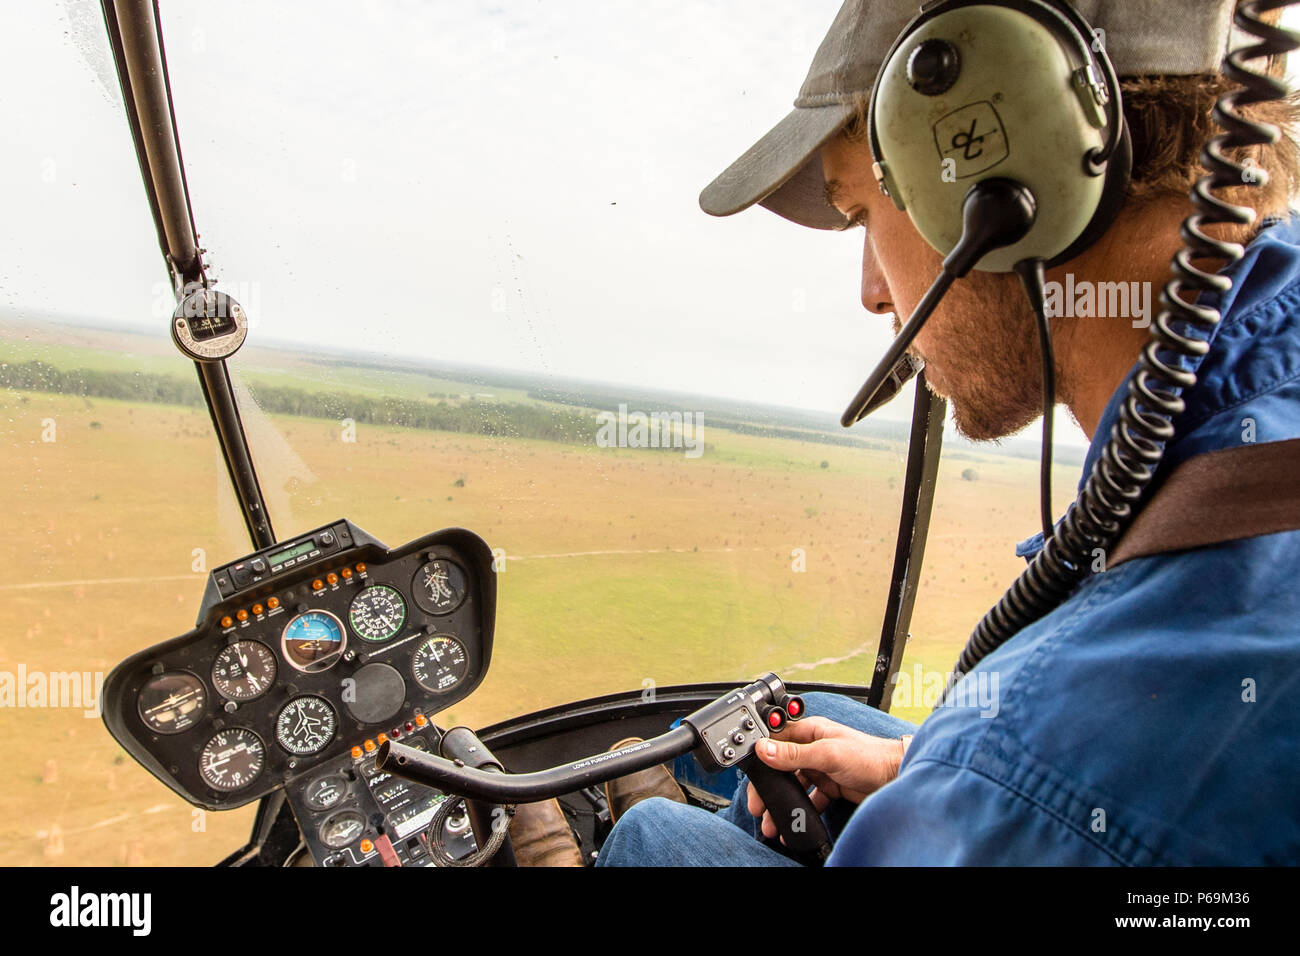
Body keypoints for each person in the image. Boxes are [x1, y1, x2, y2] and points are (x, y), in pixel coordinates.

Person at [596, 0, 1300, 866]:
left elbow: (1066, 783)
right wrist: (910, 765)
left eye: (861, 215)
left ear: (999, 186)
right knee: (826, 726)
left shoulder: (1049, 767)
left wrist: (968, 777)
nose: (873, 295)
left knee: (652, 836)